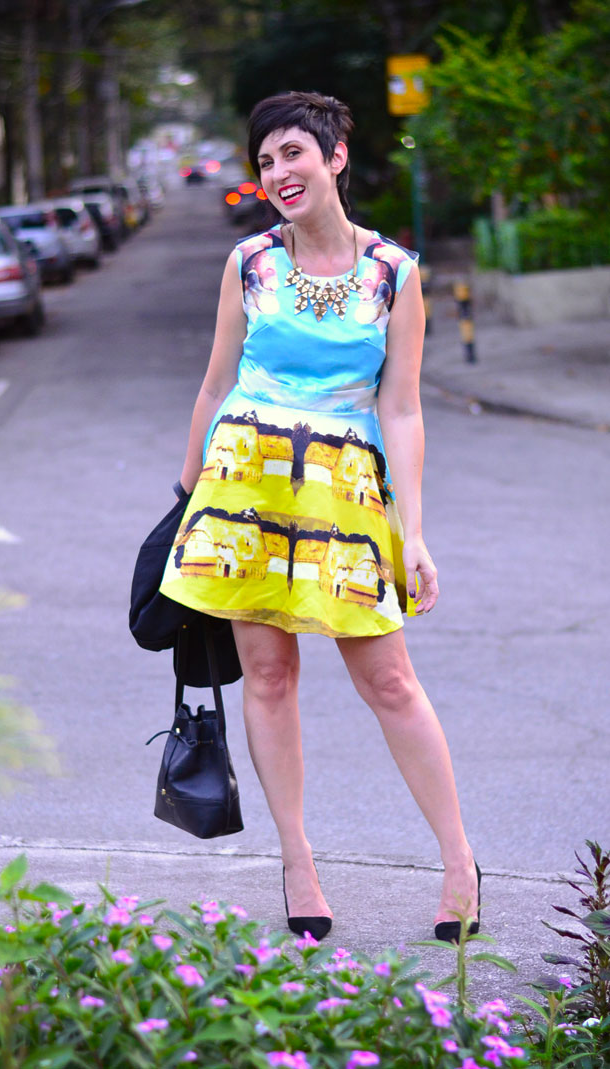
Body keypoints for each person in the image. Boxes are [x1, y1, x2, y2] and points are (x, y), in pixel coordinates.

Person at [160, 90, 480, 943]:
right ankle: (297, 862)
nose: (278, 173)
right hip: (245, 493)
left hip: (345, 494)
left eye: (293, 153)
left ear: (336, 157)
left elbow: (401, 408)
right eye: (265, 161)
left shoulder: (394, 272)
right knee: (268, 677)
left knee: (390, 680)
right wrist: (185, 502)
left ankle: (459, 861)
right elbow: (215, 383)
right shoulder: (249, 263)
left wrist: (414, 532)